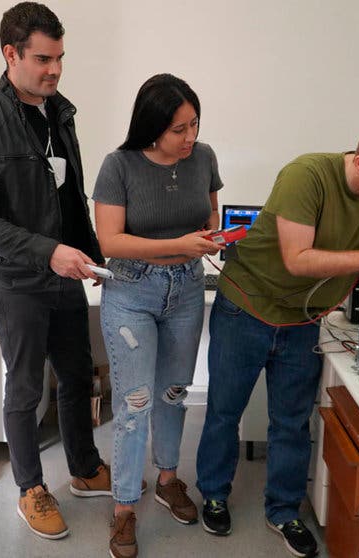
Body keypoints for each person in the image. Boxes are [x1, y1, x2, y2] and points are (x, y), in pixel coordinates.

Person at [195, 117, 359, 557]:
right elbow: (297, 259)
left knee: (292, 422)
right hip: (247, 308)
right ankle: (214, 494)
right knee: (223, 410)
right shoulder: (306, 175)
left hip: (303, 321)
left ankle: (283, 510)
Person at [0, 2, 115, 540]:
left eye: (60, 58)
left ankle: (86, 470)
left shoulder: (60, 112)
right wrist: (49, 252)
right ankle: (31, 488)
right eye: (43, 59)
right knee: (26, 389)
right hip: (17, 279)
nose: (55, 69)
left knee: (75, 374)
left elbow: (70, 196)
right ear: (10, 54)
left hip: (65, 273)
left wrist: (93, 253)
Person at [93, 73, 223, 558]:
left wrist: (211, 235)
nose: (190, 137)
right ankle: (125, 506)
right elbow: (111, 242)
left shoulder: (204, 158)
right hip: (131, 290)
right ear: (152, 127)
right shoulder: (118, 165)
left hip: (187, 289)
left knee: (174, 393)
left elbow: (211, 215)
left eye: (195, 125)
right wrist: (179, 244)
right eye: (179, 129)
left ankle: (168, 479)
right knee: (135, 403)